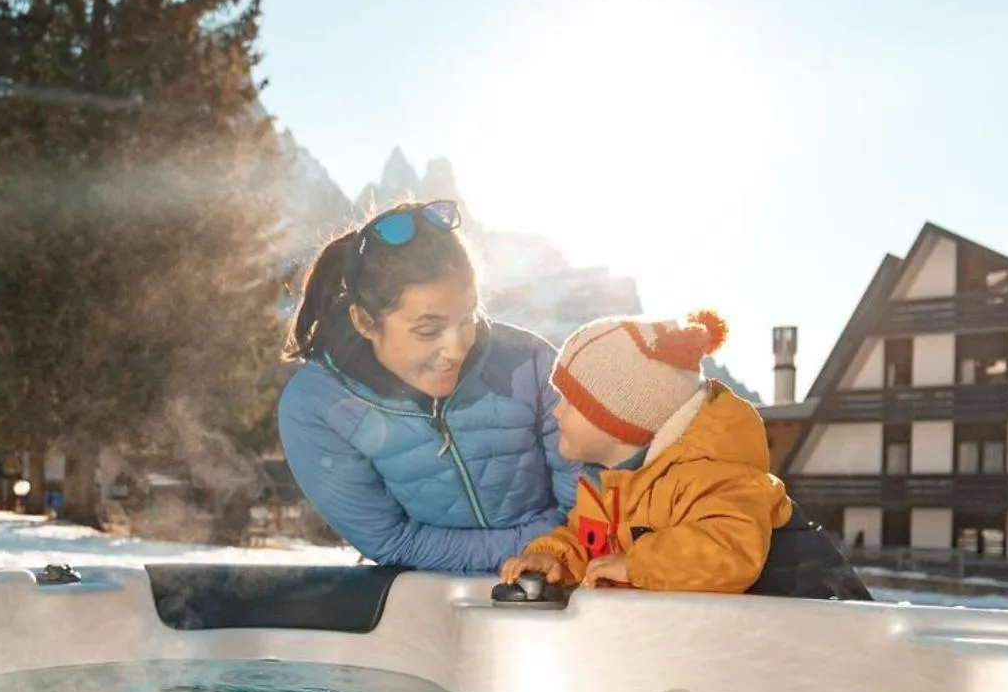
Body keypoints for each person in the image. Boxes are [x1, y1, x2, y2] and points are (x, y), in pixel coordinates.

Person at [278, 200, 580, 573]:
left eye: (468, 318)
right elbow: (391, 540)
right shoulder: (316, 405)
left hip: (562, 578)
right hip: (431, 604)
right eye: (427, 330)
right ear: (365, 321)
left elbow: (588, 506)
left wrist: (553, 551)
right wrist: (529, 548)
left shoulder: (530, 363)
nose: (455, 349)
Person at [500, 311, 868, 598]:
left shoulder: (710, 471)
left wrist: (637, 564)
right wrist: (554, 559)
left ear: (619, 419)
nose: (556, 411)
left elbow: (729, 549)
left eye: (572, 400)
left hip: (820, 623)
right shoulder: (610, 484)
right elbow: (586, 541)